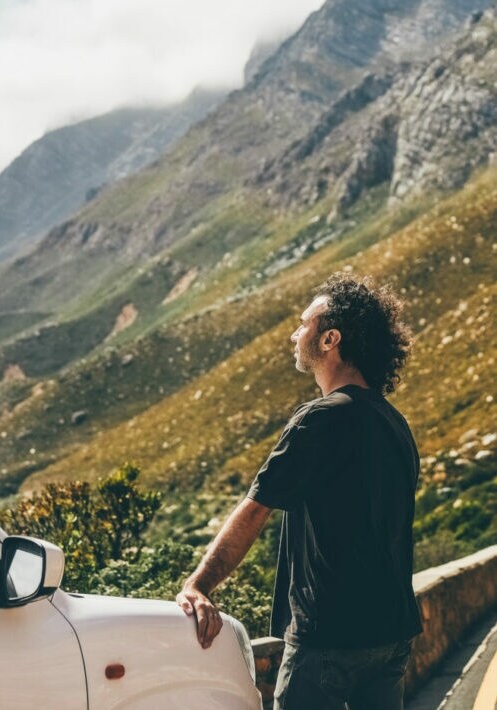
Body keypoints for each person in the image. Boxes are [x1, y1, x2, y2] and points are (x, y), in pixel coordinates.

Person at [176, 273, 424, 709]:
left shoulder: (321, 418)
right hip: (393, 633)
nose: (295, 333)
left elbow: (256, 509)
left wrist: (199, 584)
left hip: (330, 635)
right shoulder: (395, 424)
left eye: (304, 324)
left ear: (330, 339)